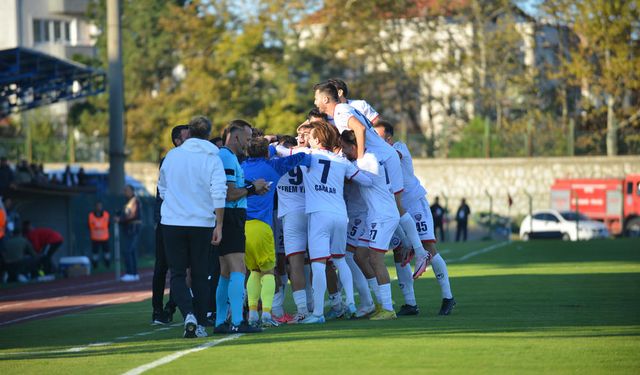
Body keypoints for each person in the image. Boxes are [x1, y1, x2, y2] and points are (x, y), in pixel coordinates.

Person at [313, 82, 431, 280]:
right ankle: (409, 246)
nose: (315, 101)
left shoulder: (341, 110)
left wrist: (359, 159)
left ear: (325, 99)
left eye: (316, 97)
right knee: (392, 206)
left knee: (391, 206)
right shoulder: (343, 111)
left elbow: (360, 129)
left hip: (382, 157)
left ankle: (416, 250)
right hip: (385, 157)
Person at [374, 121, 456, 316]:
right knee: (399, 251)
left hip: (414, 204)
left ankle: (448, 297)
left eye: (378, 136)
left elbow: (394, 156)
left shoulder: (398, 148)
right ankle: (410, 304)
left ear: (389, 138)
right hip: (395, 208)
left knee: (428, 247)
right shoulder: (374, 155)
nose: (374, 140)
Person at [158, 115, 227, 338]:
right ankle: (197, 320)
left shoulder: (172, 155)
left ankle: (187, 314)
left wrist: (174, 206)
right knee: (200, 274)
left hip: (172, 222)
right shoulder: (212, 157)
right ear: (208, 134)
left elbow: (162, 188)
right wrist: (219, 223)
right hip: (201, 222)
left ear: (189, 133)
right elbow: (219, 192)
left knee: (177, 274)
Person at [299, 122, 372, 324]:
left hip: (319, 214)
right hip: (340, 215)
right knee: (340, 259)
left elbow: (280, 151)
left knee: (319, 264)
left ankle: (318, 313)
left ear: (317, 140)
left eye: (311, 137)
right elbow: (366, 181)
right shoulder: (342, 162)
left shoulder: (308, 156)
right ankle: (350, 303)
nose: (308, 139)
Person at [241, 137, 311, 327]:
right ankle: (267, 314)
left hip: (242, 227)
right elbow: (302, 157)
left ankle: (252, 314)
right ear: (266, 153)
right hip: (262, 226)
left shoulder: (241, 166)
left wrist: (267, 147)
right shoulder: (274, 166)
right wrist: (276, 147)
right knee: (268, 273)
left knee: (253, 271)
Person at [213, 120, 269, 334]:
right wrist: (252, 188)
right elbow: (229, 192)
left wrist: (252, 189)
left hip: (228, 216)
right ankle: (238, 320)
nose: (248, 143)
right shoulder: (227, 157)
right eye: (246, 139)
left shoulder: (226, 157)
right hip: (231, 216)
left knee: (226, 271)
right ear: (235, 137)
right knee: (238, 269)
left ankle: (221, 321)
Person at [340, 129, 399, 320]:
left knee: (375, 259)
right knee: (360, 255)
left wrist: (347, 169)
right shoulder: (360, 160)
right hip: (374, 215)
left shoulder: (369, 159)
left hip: (384, 215)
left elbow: (366, 182)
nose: (344, 152)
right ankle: (380, 303)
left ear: (354, 146)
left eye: (345, 148)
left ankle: (388, 307)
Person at [152, 124, 188, 325]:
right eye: (187, 136)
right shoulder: (170, 160)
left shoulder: (193, 160)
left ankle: (172, 307)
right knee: (162, 268)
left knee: (181, 268)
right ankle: (158, 310)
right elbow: (163, 192)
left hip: (184, 220)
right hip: (167, 221)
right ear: (177, 140)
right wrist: (160, 219)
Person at [116, 185, 142, 282]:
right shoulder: (128, 202)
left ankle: (130, 273)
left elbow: (131, 215)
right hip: (128, 229)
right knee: (131, 251)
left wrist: (120, 219)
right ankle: (134, 273)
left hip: (133, 229)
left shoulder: (134, 201)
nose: (125, 192)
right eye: (124, 190)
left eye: (126, 190)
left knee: (128, 250)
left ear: (132, 191)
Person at [88, 201, 111, 269]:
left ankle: (107, 264)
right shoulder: (91, 215)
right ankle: (95, 265)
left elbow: (108, 224)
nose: (99, 207)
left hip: (104, 237)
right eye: (97, 206)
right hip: (95, 238)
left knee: (106, 252)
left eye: (100, 206)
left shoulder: (106, 214)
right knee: (95, 253)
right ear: (95, 207)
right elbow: (89, 225)